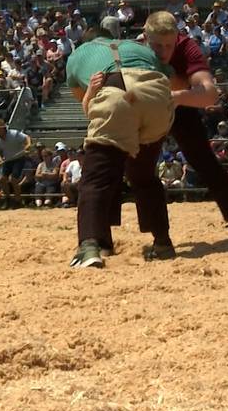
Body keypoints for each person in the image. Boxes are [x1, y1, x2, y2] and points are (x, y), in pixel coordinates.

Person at [65, 26, 176, 268]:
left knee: (96, 178)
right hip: (156, 95)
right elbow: (170, 74)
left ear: (84, 42)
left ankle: (90, 246)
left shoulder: (78, 54)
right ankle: (163, 243)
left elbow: (86, 103)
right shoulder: (137, 47)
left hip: (115, 94)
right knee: (144, 176)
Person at [142, 11, 228, 236]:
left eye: (168, 45)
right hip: (146, 108)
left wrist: (174, 96)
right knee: (139, 165)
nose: (163, 52)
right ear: (146, 39)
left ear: (177, 37)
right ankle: (149, 232)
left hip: (181, 105)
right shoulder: (137, 51)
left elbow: (209, 94)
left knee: (204, 161)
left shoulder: (187, 47)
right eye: (157, 46)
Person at [0, 118, 31, 209]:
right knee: (2, 179)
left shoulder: (14, 134)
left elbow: (26, 138)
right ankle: (7, 199)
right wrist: (0, 158)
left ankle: (18, 200)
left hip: (18, 159)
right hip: (8, 160)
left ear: (2, 128)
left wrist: (27, 145)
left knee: (13, 179)